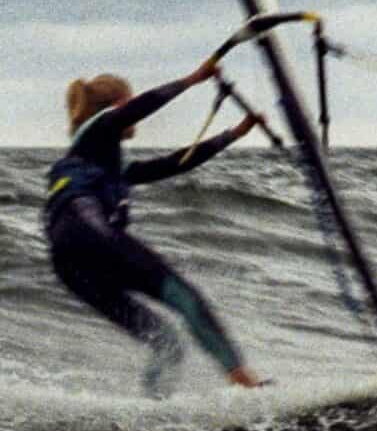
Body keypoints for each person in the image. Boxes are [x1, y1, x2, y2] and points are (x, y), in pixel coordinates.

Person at [43, 57, 268, 394]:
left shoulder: (105, 163)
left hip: (69, 263)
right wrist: (191, 79)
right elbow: (137, 110)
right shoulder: (99, 129)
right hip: (88, 230)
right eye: (128, 103)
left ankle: (150, 412)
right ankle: (246, 384)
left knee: (166, 342)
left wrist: (233, 134)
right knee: (185, 298)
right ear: (120, 104)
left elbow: (172, 164)